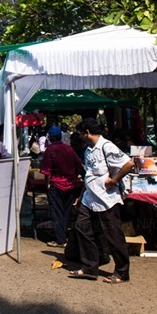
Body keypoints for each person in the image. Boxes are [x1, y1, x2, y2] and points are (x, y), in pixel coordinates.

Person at [68, 117, 134, 284]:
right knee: (82, 228)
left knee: (113, 235)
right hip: (89, 198)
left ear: (87, 132)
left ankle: (121, 271)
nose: (80, 136)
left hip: (106, 199)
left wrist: (114, 180)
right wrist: (81, 195)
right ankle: (90, 267)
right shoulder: (89, 150)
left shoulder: (107, 146)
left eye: (81, 133)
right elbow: (89, 175)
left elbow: (129, 164)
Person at [40, 126, 83, 248]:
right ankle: (64, 237)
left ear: (49, 137)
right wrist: (74, 176)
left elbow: (47, 171)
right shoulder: (68, 148)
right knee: (66, 212)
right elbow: (79, 164)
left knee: (57, 212)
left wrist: (47, 183)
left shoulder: (50, 150)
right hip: (71, 185)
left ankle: (61, 240)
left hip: (57, 185)